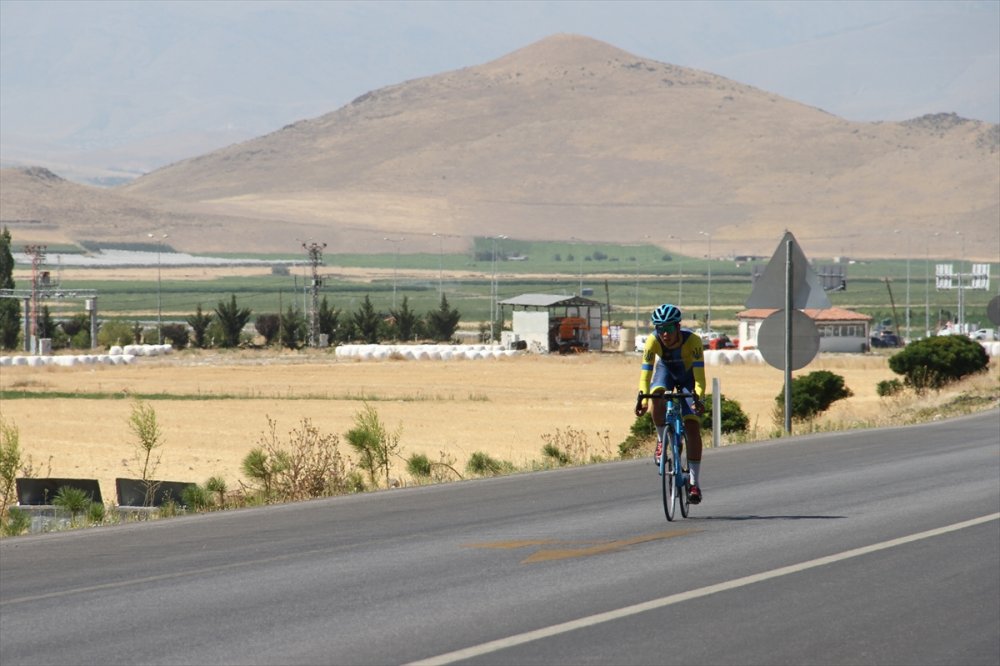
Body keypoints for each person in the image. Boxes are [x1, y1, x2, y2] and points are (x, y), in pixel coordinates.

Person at [635, 303, 707, 504]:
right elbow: (645, 376)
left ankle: (694, 483)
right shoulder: (652, 341)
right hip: (665, 371)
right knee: (656, 393)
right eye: (660, 329)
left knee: (692, 425)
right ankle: (661, 440)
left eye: (668, 328)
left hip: (688, 377)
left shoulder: (693, 341)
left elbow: (700, 380)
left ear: (677, 327)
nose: (664, 334)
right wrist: (642, 398)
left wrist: (698, 398)